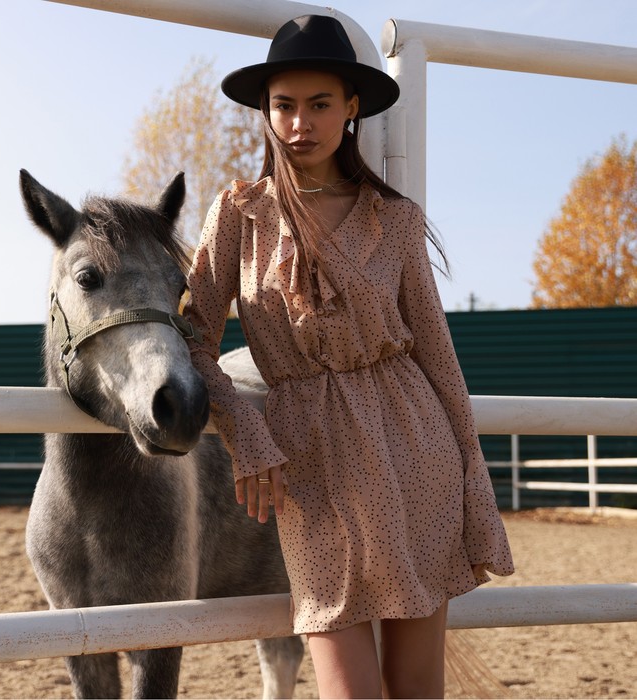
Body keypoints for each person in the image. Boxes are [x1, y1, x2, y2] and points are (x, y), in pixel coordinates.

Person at [183, 14, 514, 699]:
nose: (299, 123)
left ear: (352, 107)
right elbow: (193, 339)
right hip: (308, 463)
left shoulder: (395, 219)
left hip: (415, 451)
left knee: (416, 689)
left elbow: (438, 356)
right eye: (284, 105)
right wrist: (246, 432)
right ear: (265, 111)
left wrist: (472, 475)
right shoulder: (239, 215)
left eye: (320, 104)